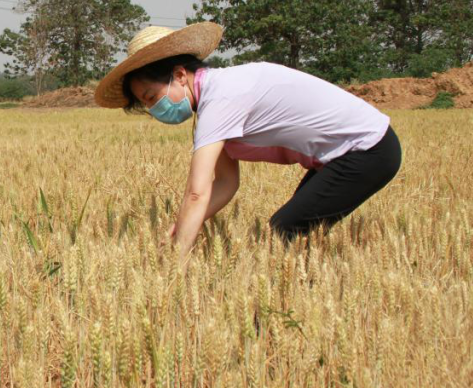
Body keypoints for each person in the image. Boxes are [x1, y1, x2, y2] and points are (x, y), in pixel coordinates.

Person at [94, 23, 402, 266]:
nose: (155, 109)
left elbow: (197, 192)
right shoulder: (214, 104)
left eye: (151, 97)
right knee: (296, 228)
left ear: (179, 75)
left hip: (368, 149)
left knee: (285, 228)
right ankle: (310, 289)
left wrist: (176, 262)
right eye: (147, 105)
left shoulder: (222, 98)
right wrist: (184, 226)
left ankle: (297, 300)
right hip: (345, 155)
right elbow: (227, 182)